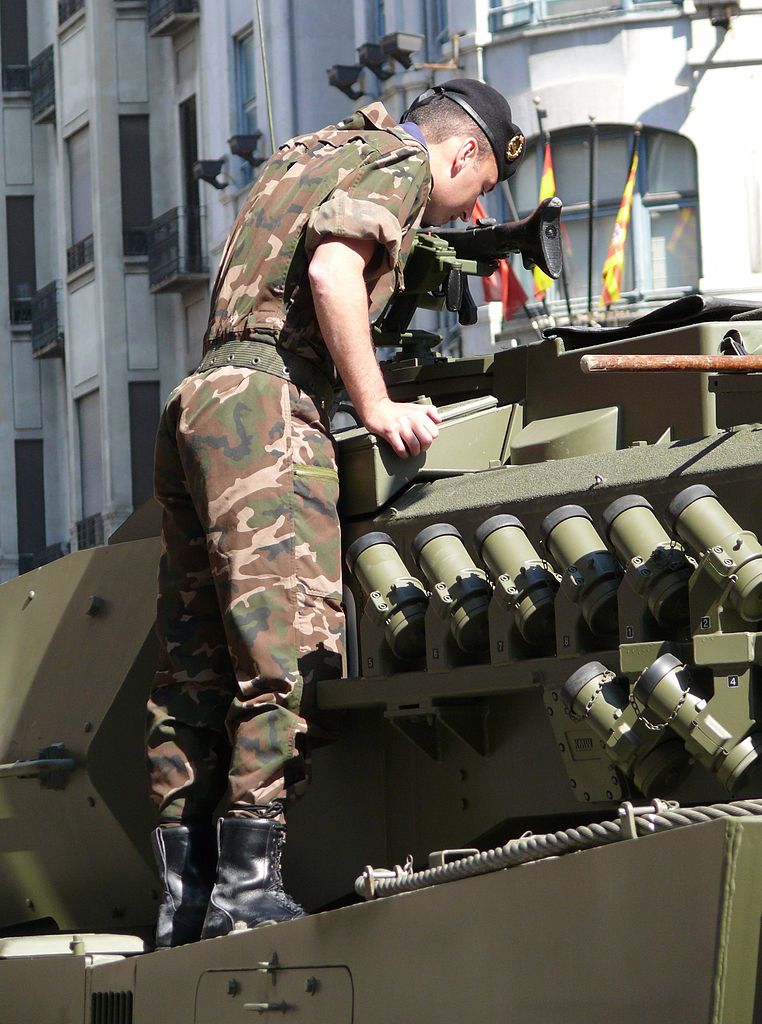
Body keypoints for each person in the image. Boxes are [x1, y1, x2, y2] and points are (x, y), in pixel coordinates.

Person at [145, 78, 525, 947]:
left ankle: (184, 901)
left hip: (201, 399)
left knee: (193, 669)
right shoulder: (401, 162)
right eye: (480, 191)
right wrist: (378, 402)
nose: (470, 214)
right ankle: (247, 891)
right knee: (291, 649)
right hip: (270, 412)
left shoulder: (304, 155)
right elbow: (331, 269)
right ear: (462, 152)